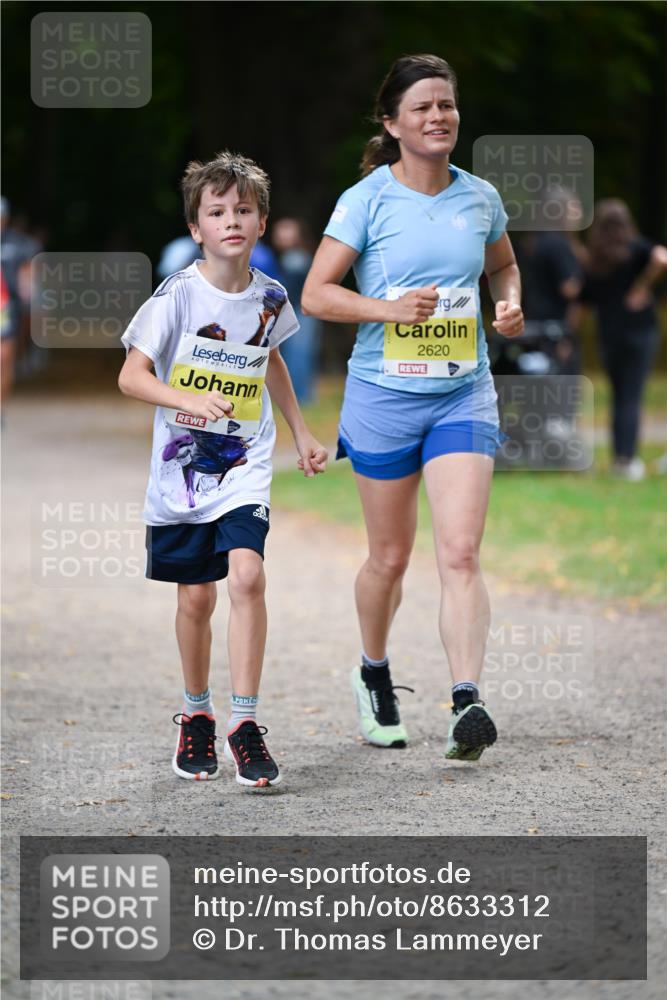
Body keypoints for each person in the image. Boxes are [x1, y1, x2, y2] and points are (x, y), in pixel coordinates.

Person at [302, 54, 523, 761]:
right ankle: (373, 672)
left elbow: (503, 266)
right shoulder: (365, 199)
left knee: (459, 551)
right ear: (392, 123)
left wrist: (508, 303)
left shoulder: (480, 197)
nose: (437, 117)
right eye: (422, 107)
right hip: (383, 398)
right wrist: (388, 309)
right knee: (390, 558)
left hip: (462, 392)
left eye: (446, 104)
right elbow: (316, 294)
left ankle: (466, 702)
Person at [119, 152, 327, 789]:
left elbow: (270, 360)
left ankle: (245, 722)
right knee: (196, 597)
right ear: (196, 228)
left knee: (248, 576)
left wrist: (301, 431)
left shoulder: (271, 296)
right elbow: (131, 377)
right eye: (217, 212)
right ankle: (197, 713)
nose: (231, 220)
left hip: (244, 462)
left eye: (243, 210)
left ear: (262, 222)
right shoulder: (177, 295)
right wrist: (187, 399)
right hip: (183, 471)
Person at [578, 199, 667, 481]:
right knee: (632, 395)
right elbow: (662, 258)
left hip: (610, 335)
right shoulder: (637, 248)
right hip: (641, 332)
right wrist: (642, 287)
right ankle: (628, 460)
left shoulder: (595, 260)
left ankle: (620, 457)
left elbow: (584, 301)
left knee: (619, 396)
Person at [272, 218, 322, 403]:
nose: (282, 235)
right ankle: (301, 395)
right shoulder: (291, 256)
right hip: (302, 311)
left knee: (298, 354)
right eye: (280, 231)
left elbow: (288, 291)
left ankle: (299, 396)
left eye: (287, 231)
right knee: (299, 353)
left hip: (300, 311)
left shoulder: (295, 259)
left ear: (297, 235)